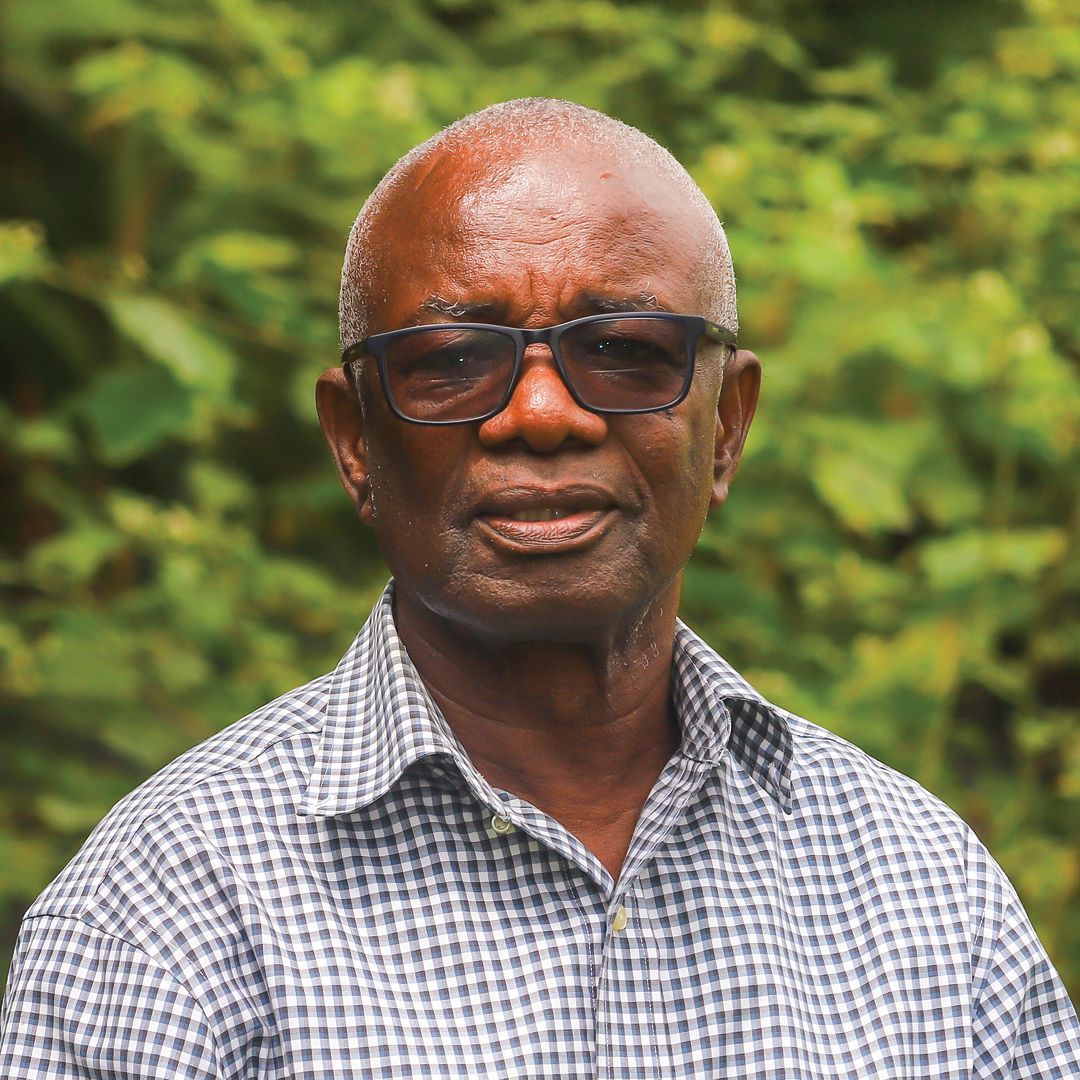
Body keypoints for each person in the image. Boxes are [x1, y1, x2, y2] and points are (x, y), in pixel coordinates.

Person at [1, 98, 1077, 1078]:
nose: (544, 413)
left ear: (727, 428)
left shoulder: (924, 896)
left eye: (625, 350)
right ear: (355, 444)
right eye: (453, 359)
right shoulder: (165, 917)